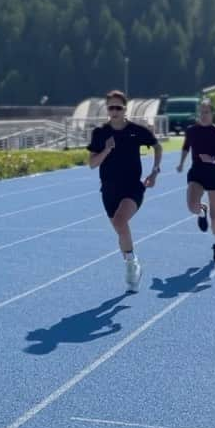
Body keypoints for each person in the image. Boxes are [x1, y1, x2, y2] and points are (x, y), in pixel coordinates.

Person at [87, 90, 162, 290]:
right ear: (107, 109)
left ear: (125, 109)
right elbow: (92, 164)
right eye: (111, 107)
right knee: (121, 232)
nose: (114, 111)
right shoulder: (100, 133)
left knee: (121, 221)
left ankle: (131, 264)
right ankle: (131, 259)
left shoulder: (136, 130)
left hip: (132, 187)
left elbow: (158, 147)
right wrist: (106, 150)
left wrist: (154, 172)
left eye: (118, 107)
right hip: (109, 190)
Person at [176, 97, 215, 263]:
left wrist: (213, 160)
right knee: (192, 207)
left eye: (207, 112)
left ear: (212, 113)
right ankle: (201, 211)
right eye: (201, 112)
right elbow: (186, 146)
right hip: (197, 174)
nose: (204, 115)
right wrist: (181, 163)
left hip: (214, 175)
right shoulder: (192, 130)